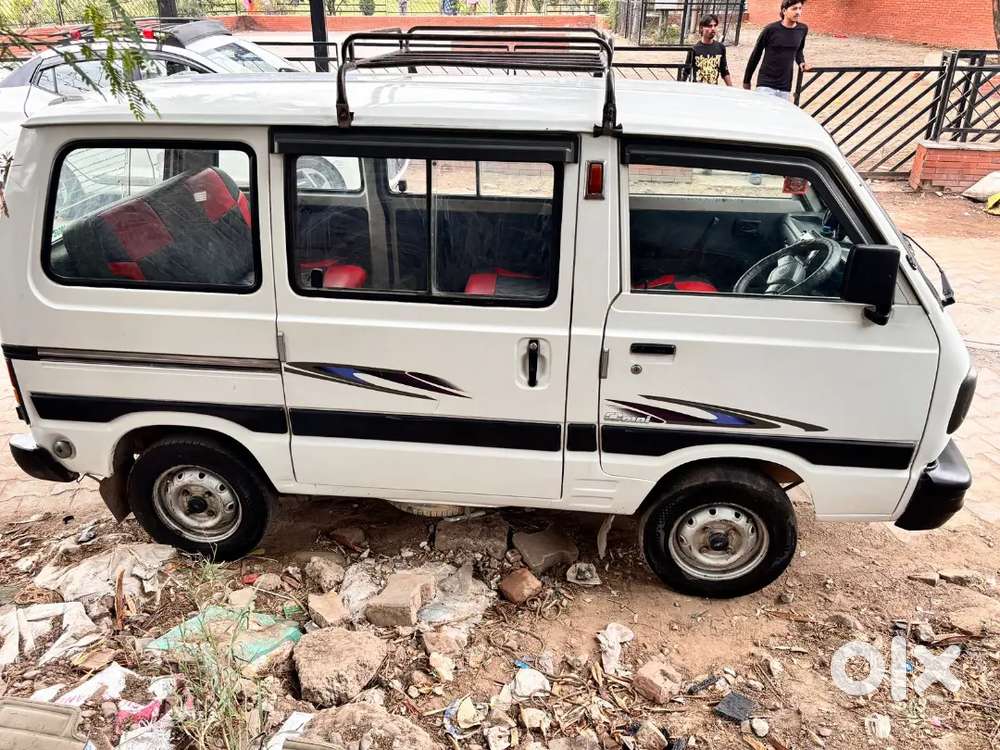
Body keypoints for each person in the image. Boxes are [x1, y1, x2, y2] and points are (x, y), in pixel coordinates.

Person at [742, 0, 811, 100]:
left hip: (785, 85)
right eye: (794, 9)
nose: (798, 12)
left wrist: (801, 62)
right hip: (766, 83)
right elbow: (756, 54)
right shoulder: (771, 29)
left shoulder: (802, 29)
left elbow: (799, 50)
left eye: (800, 8)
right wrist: (747, 80)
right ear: (784, 11)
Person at [691, 14, 732, 86]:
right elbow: (686, 72)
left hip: (713, 89)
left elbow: (724, 71)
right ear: (701, 28)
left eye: (715, 25)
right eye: (709, 26)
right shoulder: (694, 49)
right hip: (698, 89)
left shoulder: (720, 48)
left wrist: (731, 89)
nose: (713, 28)